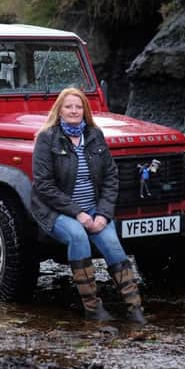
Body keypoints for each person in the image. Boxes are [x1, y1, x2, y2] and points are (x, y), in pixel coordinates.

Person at [31, 88, 147, 324]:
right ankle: (92, 308)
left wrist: (103, 214)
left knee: (112, 244)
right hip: (58, 211)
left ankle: (134, 308)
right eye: (68, 106)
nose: (74, 111)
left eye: (78, 106)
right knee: (78, 237)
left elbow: (111, 178)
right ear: (59, 110)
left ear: (84, 110)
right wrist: (78, 213)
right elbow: (43, 185)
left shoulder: (95, 135)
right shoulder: (46, 138)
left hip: (95, 211)